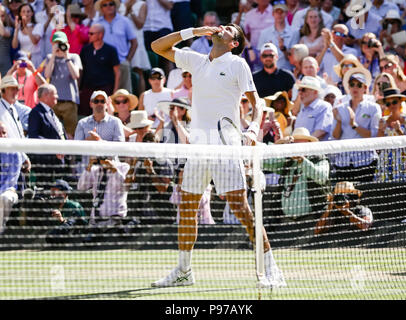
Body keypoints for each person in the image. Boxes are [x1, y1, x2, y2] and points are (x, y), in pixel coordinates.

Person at [151, 22, 286, 288]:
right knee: (187, 207)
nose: (221, 28)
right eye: (220, 26)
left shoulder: (237, 64)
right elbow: (157, 46)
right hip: (199, 148)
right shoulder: (196, 60)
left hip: (226, 145)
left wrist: (253, 129)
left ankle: (273, 269)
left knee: (241, 209)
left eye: (229, 29)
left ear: (234, 42)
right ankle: (183, 271)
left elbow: (257, 103)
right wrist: (194, 31)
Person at [262, 127, 330, 220]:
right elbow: (264, 162)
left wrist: (302, 160)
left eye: (300, 142)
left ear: (309, 143)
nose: (297, 146)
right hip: (287, 221)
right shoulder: (287, 161)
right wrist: (278, 144)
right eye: (294, 143)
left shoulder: (319, 159)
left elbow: (322, 177)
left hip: (312, 220)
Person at [331, 68, 381, 183]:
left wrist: (354, 125)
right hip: (343, 162)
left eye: (359, 85)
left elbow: (374, 136)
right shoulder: (339, 108)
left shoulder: (373, 108)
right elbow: (335, 136)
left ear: (365, 88)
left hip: (365, 162)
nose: (355, 87)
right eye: (352, 84)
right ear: (348, 87)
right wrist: (338, 121)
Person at [0, 121, 24, 244]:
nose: (2, 136)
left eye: (4, 133)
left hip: (8, 191)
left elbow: (11, 180)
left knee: (5, 198)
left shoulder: (15, 153)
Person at [124, 131, 174, 225]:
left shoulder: (165, 163)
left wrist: (150, 171)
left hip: (161, 216)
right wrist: (133, 166)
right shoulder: (140, 162)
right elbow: (127, 183)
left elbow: (163, 188)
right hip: (141, 215)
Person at [44, 31, 82, 138]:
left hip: (69, 102)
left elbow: (75, 75)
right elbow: (47, 74)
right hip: (53, 102)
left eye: (62, 43)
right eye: (57, 43)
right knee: (54, 132)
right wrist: (53, 56)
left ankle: (70, 155)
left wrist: (66, 56)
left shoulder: (74, 57)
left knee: (70, 133)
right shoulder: (50, 57)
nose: (60, 46)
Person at [376, 88, 406, 181]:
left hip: (405, 160)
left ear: (400, 102)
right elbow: (378, 148)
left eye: (394, 102)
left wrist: (399, 131)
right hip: (386, 160)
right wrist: (381, 130)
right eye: (388, 103)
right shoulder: (382, 121)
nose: (391, 105)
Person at [95, 0, 138, 92]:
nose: (108, 6)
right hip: (103, 64)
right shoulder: (97, 23)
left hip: (121, 62)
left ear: (115, 6)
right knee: (105, 95)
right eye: (105, 5)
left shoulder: (125, 21)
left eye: (111, 4)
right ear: (101, 8)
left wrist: (128, 60)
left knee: (125, 95)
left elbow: (134, 42)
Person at [77, 155, 130, 229]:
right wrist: (89, 165)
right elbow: (81, 187)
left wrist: (113, 169)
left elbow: (124, 186)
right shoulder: (95, 169)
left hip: (114, 221)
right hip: (95, 220)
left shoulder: (123, 167)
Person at [79, 23, 120, 116]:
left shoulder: (110, 50)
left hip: (105, 87)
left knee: (104, 114)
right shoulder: (85, 50)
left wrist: (115, 91)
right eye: (89, 33)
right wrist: (79, 88)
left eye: (91, 33)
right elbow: (81, 70)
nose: (88, 35)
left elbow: (117, 72)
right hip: (87, 88)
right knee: (85, 114)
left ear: (100, 34)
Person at [256, 2, 299, 71]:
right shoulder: (264, 33)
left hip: (288, 70)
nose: (279, 15)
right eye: (277, 12)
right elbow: (260, 55)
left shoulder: (295, 32)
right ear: (273, 14)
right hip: (269, 71)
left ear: (286, 14)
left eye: (282, 12)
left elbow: (295, 58)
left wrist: (283, 49)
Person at [45, 179, 88, 245]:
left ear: (64, 193)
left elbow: (76, 226)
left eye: (55, 191)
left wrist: (61, 220)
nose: (52, 194)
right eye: (51, 191)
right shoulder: (51, 205)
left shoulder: (74, 206)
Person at [294, 76, 333, 141]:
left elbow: (321, 131)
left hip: (317, 149)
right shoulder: (301, 112)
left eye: (303, 90)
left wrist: (305, 144)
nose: (300, 93)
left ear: (315, 92)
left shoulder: (324, 107)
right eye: (299, 90)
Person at [124, 0, 150, 95]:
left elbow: (140, 24)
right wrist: (127, 11)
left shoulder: (142, 4)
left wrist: (131, 11)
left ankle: (141, 100)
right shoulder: (122, 5)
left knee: (138, 70)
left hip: (136, 40)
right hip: (124, 41)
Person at [142, 0, 174, 75]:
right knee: (148, 58)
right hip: (146, 27)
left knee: (167, 57)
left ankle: (170, 83)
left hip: (163, 26)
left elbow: (170, 5)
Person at [0, 75, 25, 139]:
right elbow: (5, 136)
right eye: (12, 89)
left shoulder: (12, 108)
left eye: (17, 89)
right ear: (3, 91)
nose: (16, 92)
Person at [11, 3, 44, 68]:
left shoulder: (38, 26)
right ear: (20, 14)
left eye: (28, 11)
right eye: (23, 11)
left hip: (36, 60)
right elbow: (14, 46)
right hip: (23, 59)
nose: (26, 14)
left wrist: (26, 27)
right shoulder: (18, 28)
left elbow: (35, 42)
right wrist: (17, 30)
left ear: (32, 13)